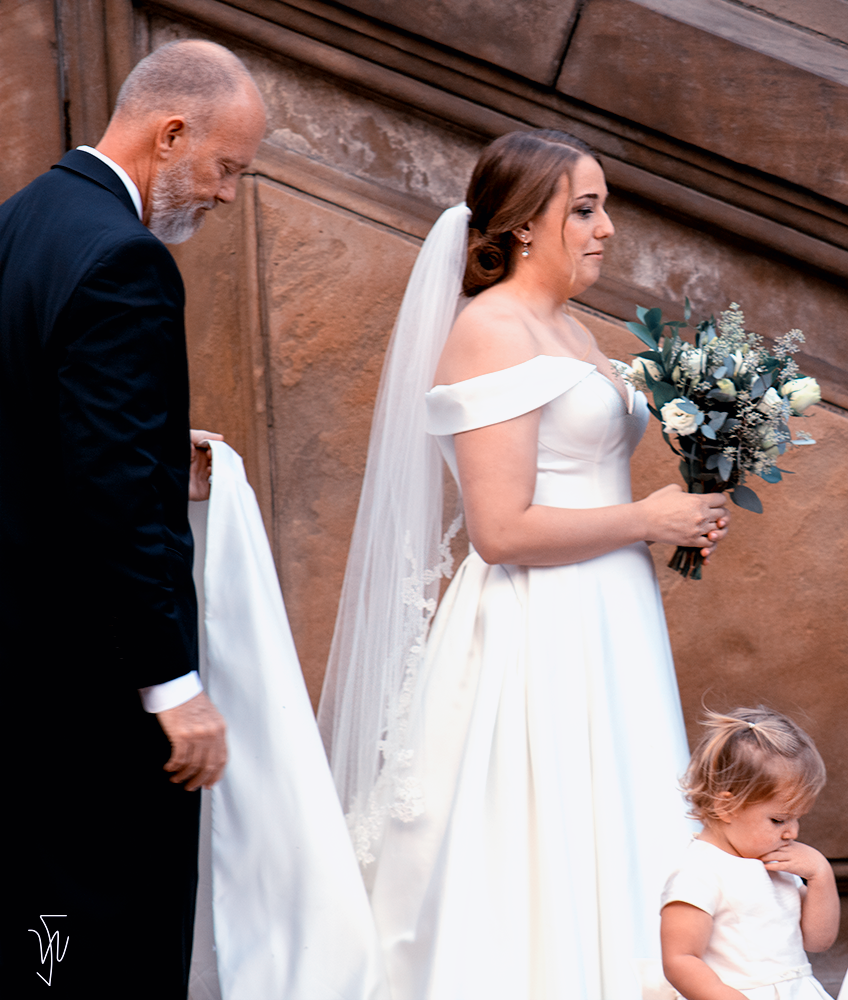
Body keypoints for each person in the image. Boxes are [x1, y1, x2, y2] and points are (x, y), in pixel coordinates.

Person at [319, 129, 730, 1000]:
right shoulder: (491, 329)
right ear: (524, 226)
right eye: (585, 208)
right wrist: (647, 516)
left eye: (603, 206)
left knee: (618, 806)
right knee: (536, 820)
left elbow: (585, 479)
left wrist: (687, 504)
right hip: (538, 620)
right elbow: (500, 530)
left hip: (612, 611)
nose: (607, 227)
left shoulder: (571, 327)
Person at [0, 39, 265, 997]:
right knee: (100, 932)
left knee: (37, 919)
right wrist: (172, 686)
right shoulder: (124, 260)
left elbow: (34, 413)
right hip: (88, 678)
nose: (229, 193)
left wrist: (153, 431)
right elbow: (112, 495)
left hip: (20, 656)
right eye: (227, 167)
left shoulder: (23, 218)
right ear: (172, 132)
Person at [661, 707, 838, 1000]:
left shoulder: (775, 862)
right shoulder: (700, 871)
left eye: (798, 818)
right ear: (726, 807)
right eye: (779, 820)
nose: (792, 833)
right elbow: (680, 959)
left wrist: (821, 875)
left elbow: (818, 941)